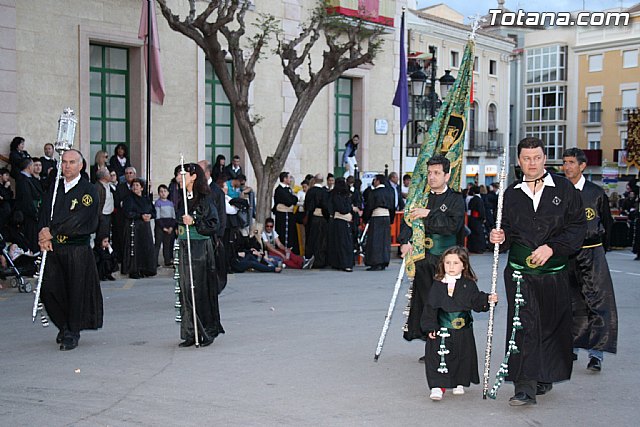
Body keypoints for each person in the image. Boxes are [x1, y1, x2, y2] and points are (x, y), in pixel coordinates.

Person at [489, 137, 586, 406]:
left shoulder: (565, 190)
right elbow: (506, 231)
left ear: (545, 158)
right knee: (524, 326)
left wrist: (552, 248)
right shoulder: (510, 194)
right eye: (526, 158)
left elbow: (577, 227)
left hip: (554, 271)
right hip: (520, 273)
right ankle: (524, 386)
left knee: (552, 325)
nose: (531, 163)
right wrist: (500, 236)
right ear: (519, 161)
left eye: (536, 157)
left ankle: (544, 375)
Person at [37, 149, 103, 351]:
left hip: (76, 249)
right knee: (50, 289)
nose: (67, 166)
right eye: (64, 162)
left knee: (76, 291)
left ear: (81, 165)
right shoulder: (55, 188)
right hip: (53, 248)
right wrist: (42, 235)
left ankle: (72, 332)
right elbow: (44, 212)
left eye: (72, 162)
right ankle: (63, 324)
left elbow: (80, 220)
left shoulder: (88, 191)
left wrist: (53, 232)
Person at [399, 155, 465, 350]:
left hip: (446, 260)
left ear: (447, 175)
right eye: (429, 173)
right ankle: (432, 347)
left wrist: (429, 214)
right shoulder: (421, 197)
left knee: (445, 302)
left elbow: (453, 226)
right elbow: (408, 221)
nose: (432, 177)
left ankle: (448, 346)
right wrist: (405, 242)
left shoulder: (455, 199)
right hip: (422, 259)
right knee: (426, 302)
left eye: (437, 173)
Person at [562, 148, 618, 371]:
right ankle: (570, 348)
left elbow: (607, 224)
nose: (567, 167)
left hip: (592, 254)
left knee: (598, 303)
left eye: (571, 162)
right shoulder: (557, 191)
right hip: (565, 256)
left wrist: (601, 251)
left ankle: (597, 354)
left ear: (582, 166)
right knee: (568, 303)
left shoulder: (595, 193)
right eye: (565, 162)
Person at [423, 246, 498, 401]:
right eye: (447, 263)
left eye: (455, 263)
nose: (451, 267)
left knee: (461, 357)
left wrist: (487, 299)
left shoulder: (468, 284)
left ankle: (458, 382)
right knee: (439, 358)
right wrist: (430, 326)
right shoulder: (437, 284)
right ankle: (437, 386)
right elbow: (430, 307)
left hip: (463, 331)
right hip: (442, 329)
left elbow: (476, 301)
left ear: (464, 265)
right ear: (442, 264)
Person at [174, 162, 224, 348]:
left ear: (193, 176)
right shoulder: (182, 197)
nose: (179, 178)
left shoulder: (205, 199)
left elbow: (214, 224)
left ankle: (206, 331)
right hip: (185, 246)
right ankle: (190, 331)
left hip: (199, 249)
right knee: (185, 289)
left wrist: (194, 221)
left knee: (199, 290)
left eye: (183, 174)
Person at [121, 179, 157, 279]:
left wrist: (150, 216)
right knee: (135, 248)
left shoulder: (146, 199)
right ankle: (134, 270)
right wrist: (140, 216)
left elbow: (153, 212)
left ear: (141, 188)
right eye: (133, 185)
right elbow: (128, 212)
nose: (135, 187)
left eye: (137, 185)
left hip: (145, 227)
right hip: (134, 226)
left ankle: (145, 268)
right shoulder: (129, 199)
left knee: (146, 247)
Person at [363, 174, 395, 271]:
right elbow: (393, 206)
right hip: (386, 217)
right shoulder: (390, 192)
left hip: (376, 217)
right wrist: (391, 219)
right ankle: (384, 261)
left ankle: (375, 262)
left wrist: (366, 218)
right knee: (385, 241)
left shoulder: (374, 193)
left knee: (375, 240)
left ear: (378, 181)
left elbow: (369, 207)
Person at [327, 177, 356, 272]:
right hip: (345, 220)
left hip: (337, 220)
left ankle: (337, 263)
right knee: (345, 243)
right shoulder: (346, 195)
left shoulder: (333, 195)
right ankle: (346, 263)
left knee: (337, 242)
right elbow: (346, 209)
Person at [14, 158, 43, 253]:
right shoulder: (23, 180)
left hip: (29, 214)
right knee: (31, 237)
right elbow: (27, 199)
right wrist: (34, 214)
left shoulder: (26, 179)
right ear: (29, 167)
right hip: (28, 215)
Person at [304, 174, 329, 268]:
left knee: (312, 239)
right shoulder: (324, 192)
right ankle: (320, 260)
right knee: (321, 240)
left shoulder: (310, 191)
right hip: (322, 218)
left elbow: (307, 205)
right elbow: (326, 206)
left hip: (312, 218)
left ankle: (310, 258)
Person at [272, 171, 300, 254]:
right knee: (284, 234)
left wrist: (293, 199)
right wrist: (293, 199)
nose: (290, 180)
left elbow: (294, 199)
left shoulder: (288, 189)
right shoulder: (280, 190)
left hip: (289, 214)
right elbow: (289, 201)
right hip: (283, 215)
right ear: (284, 179)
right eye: (289, 178)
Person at [154, 184, 176, 268]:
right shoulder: (158, 203)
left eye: (165, 191)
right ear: (159, 193)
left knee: (167, 244)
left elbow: (173, 216)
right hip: (160, 226)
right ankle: (154, 262)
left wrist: (171, 227)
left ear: (168, 193)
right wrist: (163, 227)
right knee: (158, 244)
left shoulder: (170, 203)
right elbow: (158, 216)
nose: (163, 193)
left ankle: (167, 260)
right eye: (161, 191)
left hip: (169, 225)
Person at [95, 167, 114, 241]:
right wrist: (99, 216)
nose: (110, 175)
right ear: (104, 176)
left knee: (107, 235)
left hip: (109, 214)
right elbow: (98, 203)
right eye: (108, 174)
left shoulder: (108, 185)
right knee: (102, 236)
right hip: (103, 215)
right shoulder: (98, 187)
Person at [466, 185, 486, 254]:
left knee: (474, 234)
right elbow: (481, 210)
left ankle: (474, 248)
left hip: (473, 218)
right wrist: (483, 217)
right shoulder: (479, 199)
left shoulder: (473, 199)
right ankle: (479, 248)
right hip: (477, 218)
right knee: (478, 234)